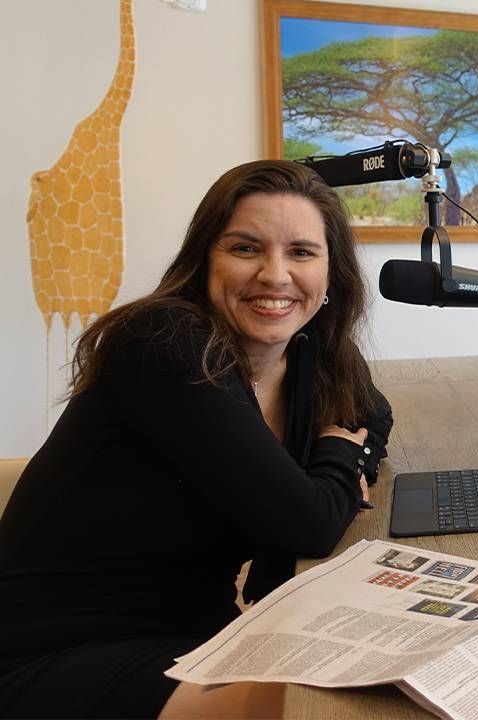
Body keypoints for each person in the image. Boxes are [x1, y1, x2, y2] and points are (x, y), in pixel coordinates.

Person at [0, 160, 393, 718]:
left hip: (190, 629)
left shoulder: (311, 354)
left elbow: (373, 415)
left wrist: (351, 455)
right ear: (204, 259)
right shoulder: (166, 343)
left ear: (333, 274)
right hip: (56, 650)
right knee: (309, 700)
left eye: (301, 253)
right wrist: (338, 459)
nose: (275, 275)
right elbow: (308, 524)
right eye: (245, 248)